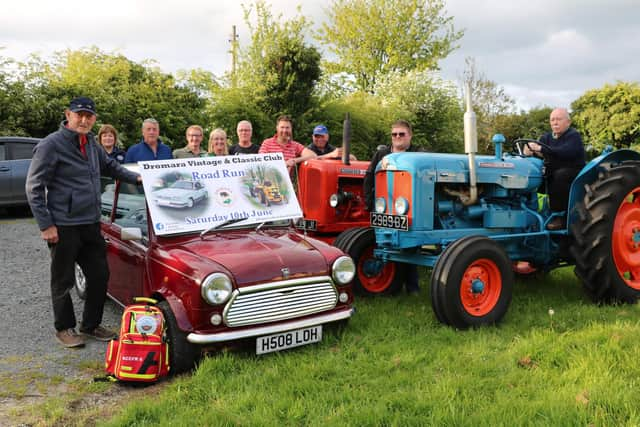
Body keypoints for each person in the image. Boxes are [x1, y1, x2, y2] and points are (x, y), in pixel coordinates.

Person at [25, 96, 141, 348]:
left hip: (90, 223)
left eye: (89, 116)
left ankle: (90, 325)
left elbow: (111, 167)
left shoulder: (91, 143)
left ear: (94, 119)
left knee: (100, 276)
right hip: (63, 225)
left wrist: (141, 179)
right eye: (80, 115)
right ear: (68, 115)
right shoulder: (50, 145)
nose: (84, 120)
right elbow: (34, 187)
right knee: (63, 280)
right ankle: (64, 328)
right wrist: (46, 225)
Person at [363, 119, 421, 294]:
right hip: (384, 207)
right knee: (385, 244)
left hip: (408, 207)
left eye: (401, 134)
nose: (397, 137)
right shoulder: (382, 154)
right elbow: (369, 177)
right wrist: (370, 203)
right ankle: (389, 284)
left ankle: (412, 287)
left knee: (410, 247)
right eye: (394, 134)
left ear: (410, 135)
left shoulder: (418, 154)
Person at [524, 108, 585, 230]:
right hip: (551, 170)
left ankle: (560, 216)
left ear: (568, 122)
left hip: (574, 171)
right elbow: (540, 153)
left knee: (559, 176)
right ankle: (531, 211)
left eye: (558, 119)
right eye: (552, 120)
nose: (555, 122)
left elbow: (565, 152)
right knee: (533, 175)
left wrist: (540, 149)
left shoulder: (573, 136)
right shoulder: (546, 137)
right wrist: (529, 150)